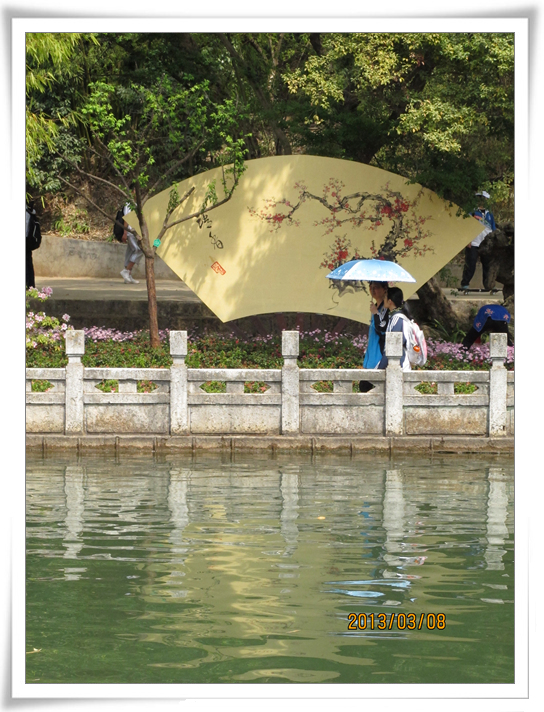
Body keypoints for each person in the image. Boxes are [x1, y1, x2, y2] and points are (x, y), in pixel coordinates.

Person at [461, 191, 496, 290]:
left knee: (487, 265)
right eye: (479, 198)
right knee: (471, 264)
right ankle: (465, 283)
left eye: (484, 199)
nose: (482, 201)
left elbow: (493, 228)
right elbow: (467, 226)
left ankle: (488, 285)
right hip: (474, 242)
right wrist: (468, 240)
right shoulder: (472, 212)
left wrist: (493, 242)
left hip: (486, 244)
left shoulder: (489, 214)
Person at [359, 281, 389, 392]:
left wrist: (376, 314)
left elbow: (382, 330)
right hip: (370, 357)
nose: (372, 290)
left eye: (376, 287)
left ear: (384, 289)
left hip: (378, 357)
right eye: (370, 287)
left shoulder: (386, 310)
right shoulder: (375, 307)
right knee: (363, 388)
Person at [377, 286, 412, 371]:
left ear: (390, 301)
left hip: (400, 368)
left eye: (385, 297)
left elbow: (392, 347)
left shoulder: (397, 319)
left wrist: (380, 368)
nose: (383, 299)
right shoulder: (395, 318)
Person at [120, 203, 143, 284]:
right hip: (130, 232)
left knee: (130, 252)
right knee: (139, 250)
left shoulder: (136, 203)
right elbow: (127, 218)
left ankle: (128, 276)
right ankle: (126, 271)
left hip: (135, 232)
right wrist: (125, 232)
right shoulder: (129, 204)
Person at [26, 199, 41, 289]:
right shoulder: (31, 212)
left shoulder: (28, 212)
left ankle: (29, 286)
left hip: (26, 240)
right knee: (28, 264)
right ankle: (30, 287)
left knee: (27, 265)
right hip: (28, 241)